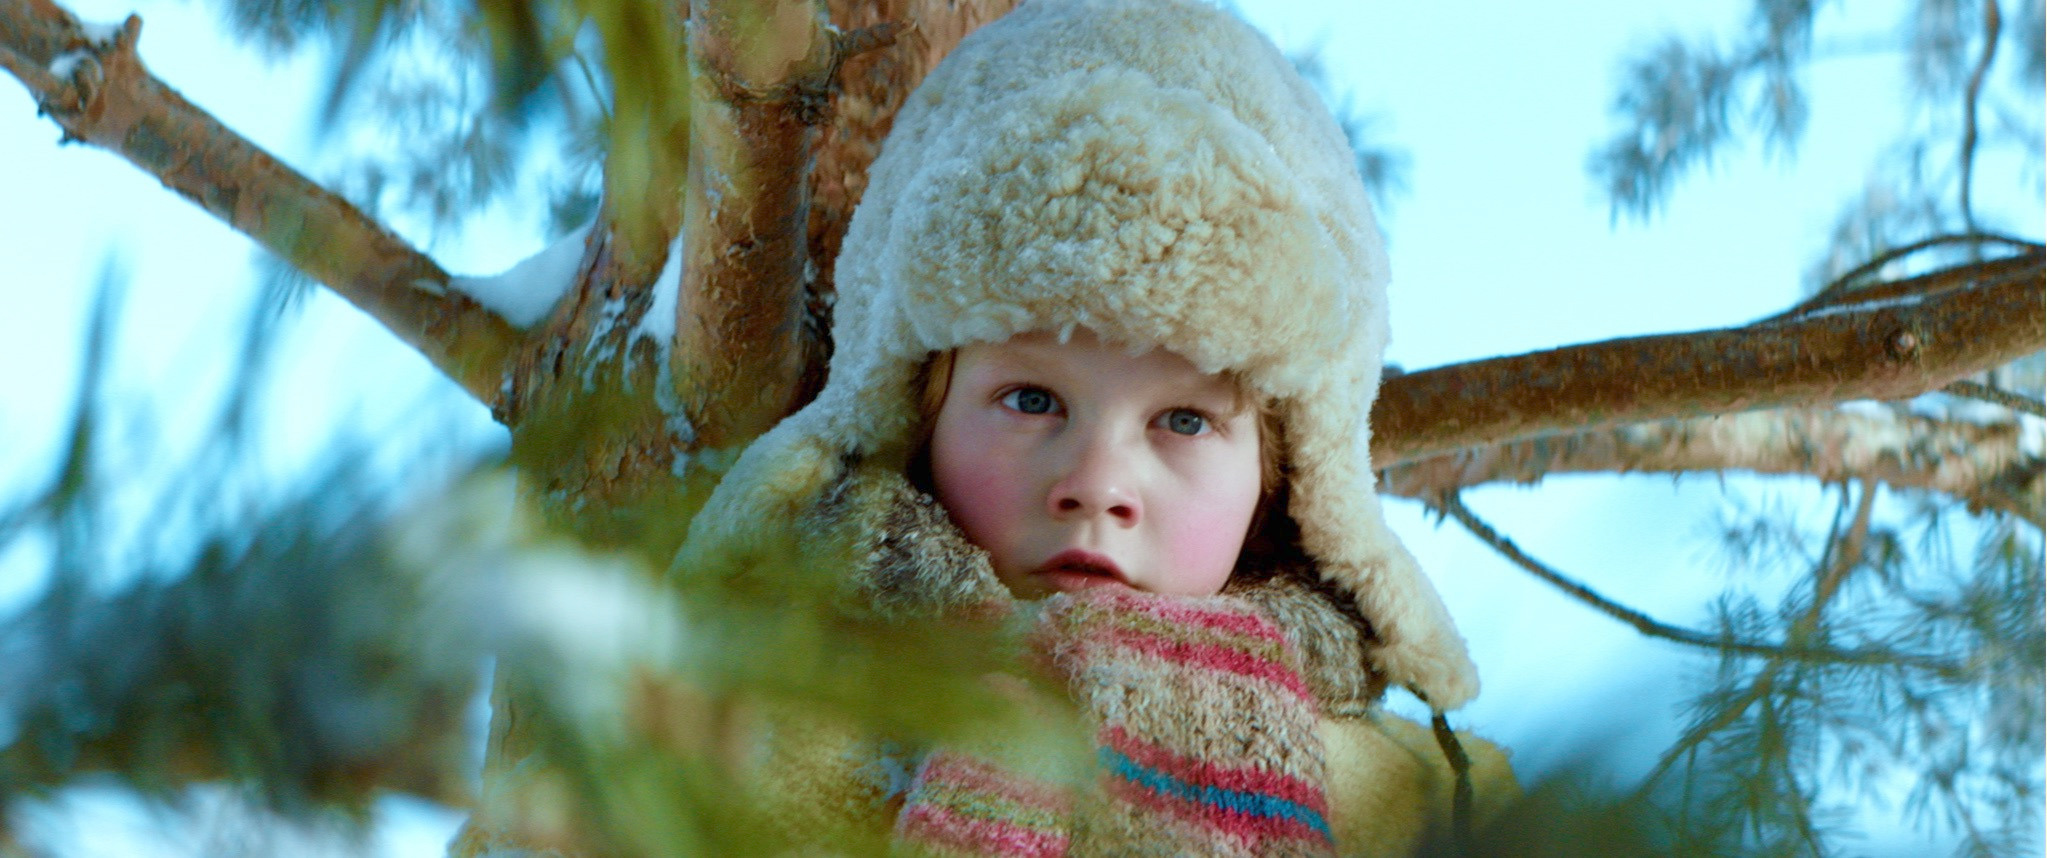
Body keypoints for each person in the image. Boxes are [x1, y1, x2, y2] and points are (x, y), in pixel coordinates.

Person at [675, 0, 1517, 853]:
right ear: (914, 417)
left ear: (1283, 481)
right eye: (1033, 400)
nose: (1098, 484)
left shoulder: (1435, 811)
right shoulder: (715, 728)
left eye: (1182, 419)